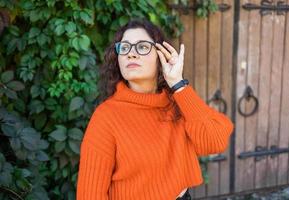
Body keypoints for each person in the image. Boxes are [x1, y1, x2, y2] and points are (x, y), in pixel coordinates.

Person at [76, 18, 234, 200]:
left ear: (161, 55)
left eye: (142, 47)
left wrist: (178, 85)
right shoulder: (106, 117)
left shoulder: (179, 101)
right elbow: (90, 195)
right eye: (124, 47)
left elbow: (213, 141)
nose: (131, 54)